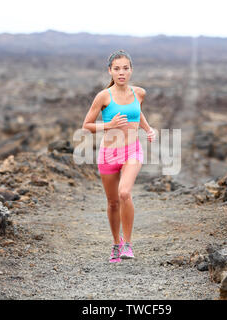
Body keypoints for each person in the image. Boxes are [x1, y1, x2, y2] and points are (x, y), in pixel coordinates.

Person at [82, 50, 156, 263]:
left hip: (132, 150)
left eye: (125, 68)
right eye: (117, 69)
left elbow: (137, 112)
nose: (121, 73)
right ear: (110, 71)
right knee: (113, 202)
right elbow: (86, 125)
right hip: (108, 154)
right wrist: (110, 125)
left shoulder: (139, 93)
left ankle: (128, 244)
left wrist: (148, 129)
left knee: (124, 193)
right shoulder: (103, 96)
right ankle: (116, 243)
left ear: (131, 70)